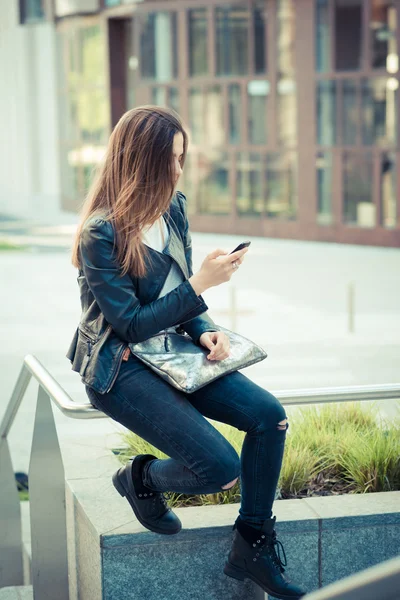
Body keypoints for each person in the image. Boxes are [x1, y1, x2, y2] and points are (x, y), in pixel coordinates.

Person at [67, 105, 306, 599]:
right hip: (121, 367)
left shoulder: (172, 207)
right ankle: (140, 478)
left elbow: (180, 293)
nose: (178, 171)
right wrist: (200, 286)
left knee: (269, 416)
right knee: (218, 468)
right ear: (139, 161)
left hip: (172, 351)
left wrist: (203, 331)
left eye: (182, 158)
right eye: (169, 161)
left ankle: (253, 545)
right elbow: (130, 324)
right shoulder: (101, 233)